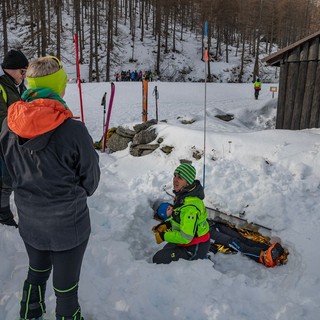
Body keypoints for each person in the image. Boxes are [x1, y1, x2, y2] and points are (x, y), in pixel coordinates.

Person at [0, 56, 100, 320]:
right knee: (66, 290)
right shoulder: (73, 130)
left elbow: (8, 172)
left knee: (36, 272)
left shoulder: (9, 124)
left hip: (30, 219)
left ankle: (30, 313)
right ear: (59, 86)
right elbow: (91, 181)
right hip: (69, 224)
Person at [152, 163, 210, 264]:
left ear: (187, 182)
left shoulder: (190, 207)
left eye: (180, 178)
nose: (175, 180)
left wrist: (163, 236)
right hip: (188, 242)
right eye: (175, 176)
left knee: (158, 258)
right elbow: (177, 217)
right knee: (165, 250)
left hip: (194, 247)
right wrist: (167, 224)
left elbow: (186, 237)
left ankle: (200, 258)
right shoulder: (183, 197)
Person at [0, 49, 29, 227]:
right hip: (4, 142)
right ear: (11, 70)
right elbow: (2, 118)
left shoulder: (19, 86)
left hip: (16, 141)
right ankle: (3, 212)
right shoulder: (2, 87)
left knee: (12, 177)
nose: (24, 76)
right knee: (5, 180)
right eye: (22, 72)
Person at [209, 220, 286, 267]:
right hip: (206, 234)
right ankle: (264, 257)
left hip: (213, 226)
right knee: (234, 242)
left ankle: (268, 249)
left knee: (241, 238)